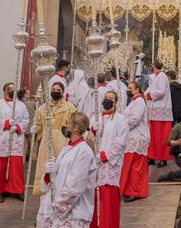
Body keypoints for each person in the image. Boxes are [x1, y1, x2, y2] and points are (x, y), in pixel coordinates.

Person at [37, 112, 96, 228]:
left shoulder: (84, 152)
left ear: (75, 128)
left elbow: (75, 185)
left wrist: (57, 207)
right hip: (58, 207)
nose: (66, 126)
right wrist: (49, 173)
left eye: (68, 123)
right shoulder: (67, 149)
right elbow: (57, 178)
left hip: (73, 211)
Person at [89, 91, 128, 228]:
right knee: (94, 197)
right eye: (106, 98)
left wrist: (105, 156)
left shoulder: (120, 119)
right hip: (95, 163)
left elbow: (121, 142)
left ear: (115, 102)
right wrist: (93, 131)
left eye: (111, 98)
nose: (107, 100)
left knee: (108, 198)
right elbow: (88, 140)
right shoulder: (95, 118)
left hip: (110, 164)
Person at [0, 82, 29, 202]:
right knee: (0, 165)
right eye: (9, 89)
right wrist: (6, 123)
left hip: (16, 137)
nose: (12, 91)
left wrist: (17, 127)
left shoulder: (21, 105)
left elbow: (26, 119)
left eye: (14, 89)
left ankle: (16, 189)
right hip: (2, 137)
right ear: (4, 91)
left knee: (16, 166)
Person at [33, 81, 77, 196]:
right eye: (54, 90)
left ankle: (60, 188)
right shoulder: (42, 108)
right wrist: (35, 129)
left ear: (62, 92)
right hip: (46, 140)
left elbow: (73, 125)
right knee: (45, 164)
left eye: (58, 90)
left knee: (60, 164)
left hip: (62, 140)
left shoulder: (69, 107)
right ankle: (44, 188)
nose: (56, 92)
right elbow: (39, 125)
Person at [119, 81, 150, 203]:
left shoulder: (139, 102)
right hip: (133, 136)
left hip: (137, 137)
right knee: (132, 166)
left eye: (130, 88)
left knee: (135, 166)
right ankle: (130, 189)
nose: (128, 90)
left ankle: (135, 191)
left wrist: (122, 127)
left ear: (137, 89)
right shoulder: (135, 101)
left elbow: (135, 119)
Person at [145, 60, 173, 168]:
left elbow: (161, 92)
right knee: (152, 136)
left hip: (161, 110)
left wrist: (149, 95)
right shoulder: (156, 77)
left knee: (161, 136)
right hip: (154, 111)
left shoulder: (161, 76)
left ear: (154, 66)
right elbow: (152, 89)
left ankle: (163, 158)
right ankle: (152, 156)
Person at [18, 89, 37, 161]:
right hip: (31, 129)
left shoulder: (17, 104)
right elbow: (41, 107)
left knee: (23, 150)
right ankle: (32, 167)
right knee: (33, 149)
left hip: (22, 129)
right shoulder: (31, 103)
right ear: (24, 95)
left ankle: (21, 168)